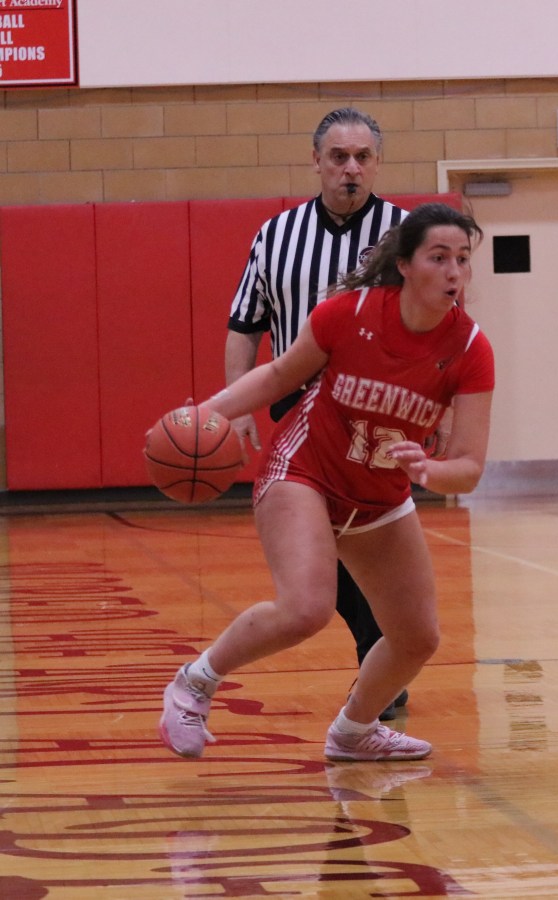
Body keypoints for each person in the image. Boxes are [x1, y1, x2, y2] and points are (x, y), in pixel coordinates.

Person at [159, 203, 494, 761]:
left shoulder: (469, 348)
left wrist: (430, 471)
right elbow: (278, 374)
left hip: (381, 497)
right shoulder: (349, 312)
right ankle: (194, 682)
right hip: (305, 472)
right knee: (307, 608)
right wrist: (207, 415)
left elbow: (470, 466)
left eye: (462, 258)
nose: (454, 271)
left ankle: (354, 731)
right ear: (406, 265)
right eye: (439, 257)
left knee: (418, 637)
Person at [226, 106, 410, 719]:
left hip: (376, 418)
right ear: (317, 162)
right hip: (301, 414)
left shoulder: (406, 235)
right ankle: (379, 663)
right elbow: (244, 324)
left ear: (377, 164)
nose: (350, 169)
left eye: (362, 157)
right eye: (338, 157)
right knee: (321, 547)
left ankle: (382, 664)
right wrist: (237, 404)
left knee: (369, 543)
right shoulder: (276, 235)